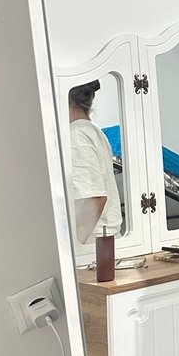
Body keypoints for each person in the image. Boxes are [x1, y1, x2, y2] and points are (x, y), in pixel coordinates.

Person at [68, 80, 122, 245]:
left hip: (92, 243)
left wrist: (73, 243)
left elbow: (95, 198)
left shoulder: (77, 136)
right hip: (102, 240)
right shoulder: (91, 130)